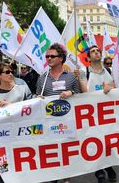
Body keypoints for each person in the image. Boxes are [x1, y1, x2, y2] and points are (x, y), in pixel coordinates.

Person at [35, 43, 80, 183]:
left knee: (65, 151)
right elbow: (36, 96)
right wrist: (38, 99)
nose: (48, 58)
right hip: (49, 121)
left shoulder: (71, 77)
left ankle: (66, 177)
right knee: (51, 150)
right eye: (47, 56)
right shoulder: (42, 78)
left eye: (52, 56)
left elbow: (81, 95)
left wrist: (71, 92)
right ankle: (54, 176)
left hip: (67, 121)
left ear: (61, 58)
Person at [78, 45, 117, 183]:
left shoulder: (107, 70)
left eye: (97, 51)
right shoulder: (84, 72)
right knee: (94, 143)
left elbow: (114, 87)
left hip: (105, 113)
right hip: (90, 114)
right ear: (88, 57)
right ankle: (99, 172)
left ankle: (109, 166)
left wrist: (109, 88)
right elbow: (84, 92)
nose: (96, 53)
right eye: (92, 52)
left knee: (107, 142)